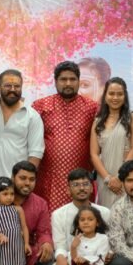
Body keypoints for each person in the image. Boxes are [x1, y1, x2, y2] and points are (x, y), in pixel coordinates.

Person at [33, 61, 98, 212]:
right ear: (55, 81)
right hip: (48, 180)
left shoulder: (92, 108)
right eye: (63, 79)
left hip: (81, 180)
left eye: (72, 79)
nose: (68, 83)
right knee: (50, 220)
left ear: (78, 81)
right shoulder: (41, 106)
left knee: (82, 220)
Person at [50, 168, 118, 265]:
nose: (81, 188)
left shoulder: (104, 212)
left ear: (92, 188)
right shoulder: (58, 214)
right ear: (68, 190)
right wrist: (60, 257)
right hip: (75, 259)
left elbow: (112, 241)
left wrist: (110, 254)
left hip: (99, 261)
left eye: (85, 184)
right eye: (76, 185)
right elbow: (60, 244)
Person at [0, 69, 44, 198]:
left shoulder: (32, 116)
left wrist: (24, 182)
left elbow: (35, 153)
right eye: (8, 85)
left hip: (16, 187)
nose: (12, 89)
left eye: (17, 86)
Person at [90, 77, 133, 208]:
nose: (115, 97)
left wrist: (120, 177)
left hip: (128, 176)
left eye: (120, 94)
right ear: (105, 95)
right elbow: (94, 154)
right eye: (111, 93)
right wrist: (108, 179)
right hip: (105, 178)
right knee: (107, 214)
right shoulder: (98, 121)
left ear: (125, 96)